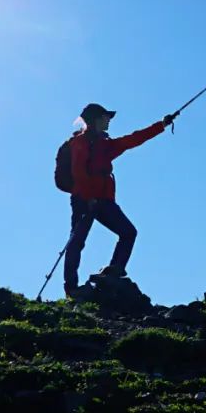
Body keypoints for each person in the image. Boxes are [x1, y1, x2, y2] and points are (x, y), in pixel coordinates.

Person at [63, 103, 177, 297]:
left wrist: (161, 125)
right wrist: (89, 197)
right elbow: (78, 171)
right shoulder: (80, 143)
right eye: (106, 116)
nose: (109, 120)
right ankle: (72, 289)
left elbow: (133, 139)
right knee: (77, 242)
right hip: (84, 200)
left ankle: (114, 272)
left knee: (128, 232)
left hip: (103, 200)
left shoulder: (106, 145)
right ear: (96, 119)